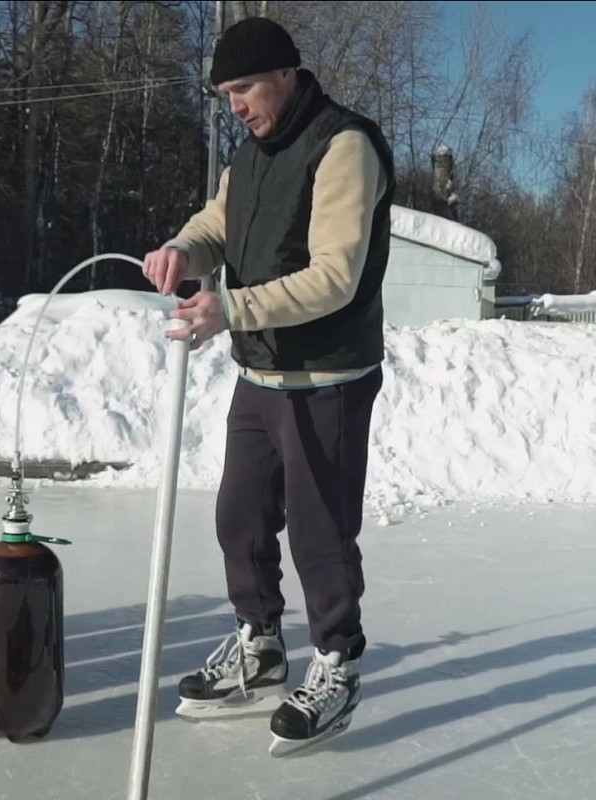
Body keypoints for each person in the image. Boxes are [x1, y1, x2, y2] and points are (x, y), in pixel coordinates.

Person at [141, 16, 396, 751]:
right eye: (225, 93)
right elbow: (218, 224)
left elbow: (335, 276)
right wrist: (182, 250)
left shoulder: (343, 146)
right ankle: (260, 647)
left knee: (320, 530)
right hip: (260, 369)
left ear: (286, 73)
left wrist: (232, 307)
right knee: (241, 517)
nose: (235, 105)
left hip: (327, 375)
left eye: (244, 87)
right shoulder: (251, 157)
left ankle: (338, 663)